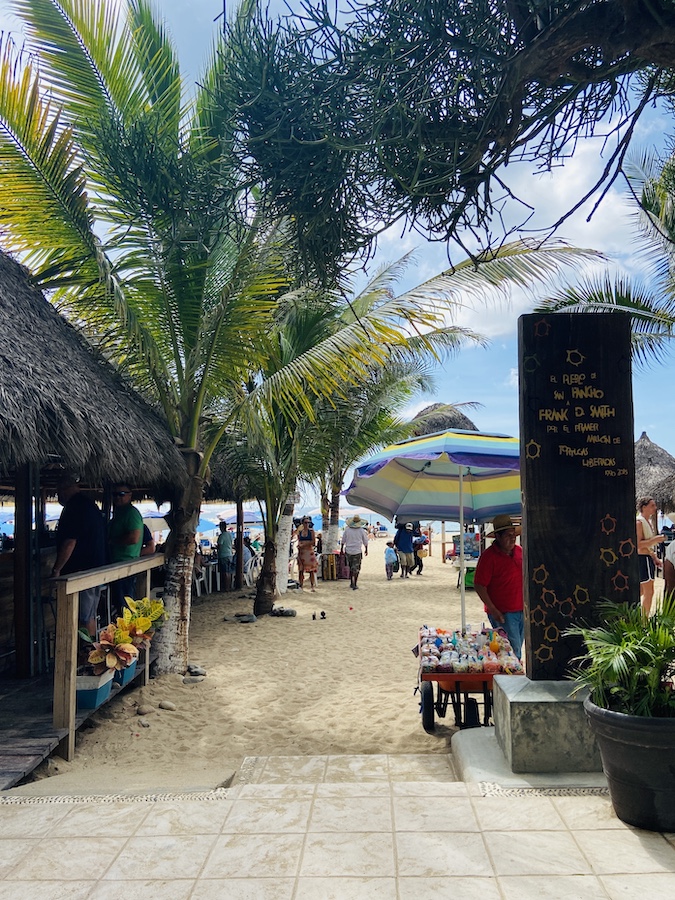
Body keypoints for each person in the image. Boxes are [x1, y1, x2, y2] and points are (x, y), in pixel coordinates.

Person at [51, 474, 106, 637]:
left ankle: (87, 656)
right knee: (89, 614)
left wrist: (57, 569)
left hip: (82, 571)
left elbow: (70, 542)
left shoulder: (74, 508)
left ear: (65, 489)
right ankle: (90, 654)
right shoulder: (89, 505)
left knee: (84, 617)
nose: (58, 496)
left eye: (58, 492)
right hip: (95, 569)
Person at [474, 514, 524, 659]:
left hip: (522, 610)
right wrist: (493, 610)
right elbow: (479, 585)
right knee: (513, 650)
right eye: (508, 535)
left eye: (514, 535)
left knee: (517, 646)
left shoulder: (520, 551)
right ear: (498, 536)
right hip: (503, 613)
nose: (513, 538)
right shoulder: (488, 557)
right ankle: (514, 679)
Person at [109, 483, 143, 617]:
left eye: (121, 494)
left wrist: (113, 541)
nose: (118, 497)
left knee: (126, 604)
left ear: (130, 495)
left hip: (125, 563)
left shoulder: (131, 513)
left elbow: (134, 537)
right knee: (119, 603)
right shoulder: (119, 513)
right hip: (117, 562)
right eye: (115, 494)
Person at [636, 497, 665, 616]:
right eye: (652, 506)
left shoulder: (647, 522)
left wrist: (654, 558)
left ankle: (640, 617)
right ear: (644, 507)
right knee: (649, 591)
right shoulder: (639, 522)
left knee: (642, 591)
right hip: (642, 559)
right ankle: (644, 621)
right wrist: (656, 539)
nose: (655, 508)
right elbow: (638, 544)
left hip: (647, 558)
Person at [340, 514, 369, 590]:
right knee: (356, 569)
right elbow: (365, 541)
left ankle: (351, 582)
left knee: (350, 567)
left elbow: (343, 540)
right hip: (357, 551)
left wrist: (341, 549)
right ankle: (354, 583)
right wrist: (366, 549)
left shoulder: (347, 530)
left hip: (348, 551)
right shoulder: (361, 530)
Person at [295, 516, 318, 591]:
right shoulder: (300, 532)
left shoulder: (311, 531)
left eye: (308, 523)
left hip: (309, 552)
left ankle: (312, 586)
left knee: (311, 570)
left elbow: (313, 542)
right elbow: (299, 541)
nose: (307, 524)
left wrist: (304, 545)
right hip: (301, 552)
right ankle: (301, 585)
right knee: (301, 570)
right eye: (305, 523)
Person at [217, 522, 234, 592]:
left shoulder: (222, 536)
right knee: (229, 571)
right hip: (229, 554)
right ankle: (228, 586)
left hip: (223, 555)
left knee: (225, 572)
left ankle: (226, 587)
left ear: (221, 527)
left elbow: (219, 546)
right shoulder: (229, 535)